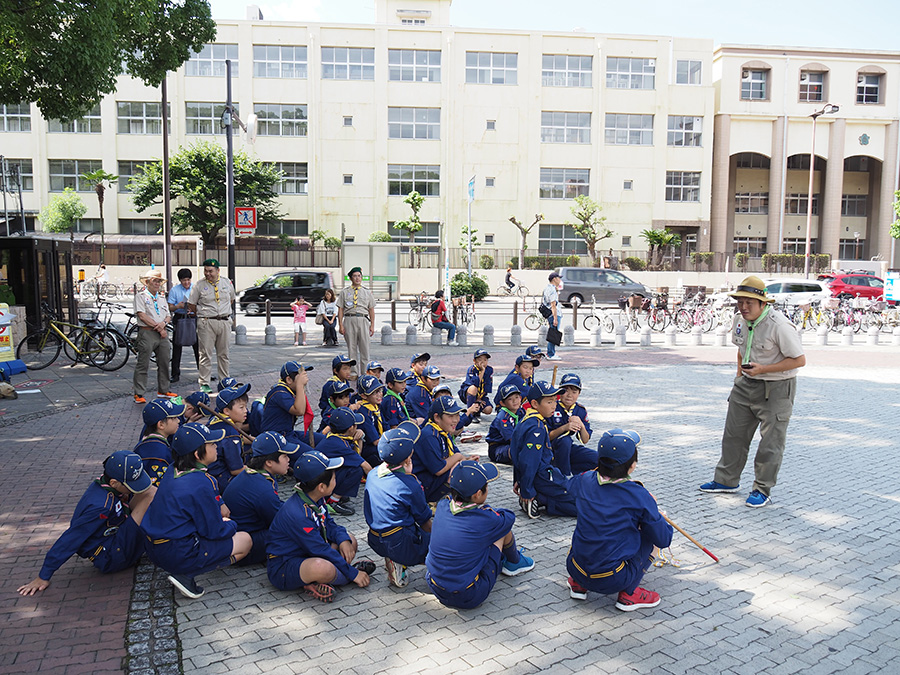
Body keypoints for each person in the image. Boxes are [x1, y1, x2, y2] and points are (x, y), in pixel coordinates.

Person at [700, 276, 806, 508]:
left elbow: (799, 360)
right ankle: (726, 480)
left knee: (771, 442)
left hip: (776, 387)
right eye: (740, 302)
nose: (744, 307)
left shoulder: (779, 326)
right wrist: (739, 378)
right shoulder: (740, 319)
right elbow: (740, 350)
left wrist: (764, 369)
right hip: (746, 384)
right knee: (733, 435)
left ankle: (762, 489)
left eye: (749, 302)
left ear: (763, 303)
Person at [17, 451, 156, 596]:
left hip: (117, 534)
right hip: (112, 557)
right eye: (131, 484)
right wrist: (43, 575)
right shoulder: (100, 507)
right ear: (114, 482)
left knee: (149, 490)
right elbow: (71, 538)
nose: (135, 487)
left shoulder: (104, 485)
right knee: (151, 495)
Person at [140, 422, 253, 599]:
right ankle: (186, 573)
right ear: (197, 453)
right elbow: (214, 531)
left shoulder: (174, 469)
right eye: (212, 444)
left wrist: (220, 503)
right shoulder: (200, 483)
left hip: (154, 546)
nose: (217, 447)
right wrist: (232, 525)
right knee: (245, 541)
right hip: (177, 551)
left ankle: (185, 566)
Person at [566, 429, 673, 611]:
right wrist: (655, 513)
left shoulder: (584, 479)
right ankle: (629, 593)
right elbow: (664, 539)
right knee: (651, 535)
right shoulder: (639, 496)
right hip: (612, 579)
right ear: (632, 466)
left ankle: (578, 584)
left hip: (575, 567)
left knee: (589, 526)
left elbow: (570, 485)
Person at [266, 450, 375, 602]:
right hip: (285, 566)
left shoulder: (314, 498)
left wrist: (343, 539)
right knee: (323, 568)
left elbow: (329, 524)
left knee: (350, 541)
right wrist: (353, 575)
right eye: (335, 478)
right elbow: (319, 549)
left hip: (308, 553)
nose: (336, 480)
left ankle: (331, 576)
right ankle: (343, 575)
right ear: (322, 487)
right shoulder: (298, 514)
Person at [425, 460, 535, 609]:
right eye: (487, 487)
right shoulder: (485, 519)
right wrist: (486, 508)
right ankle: (514, 562)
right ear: (477, 494)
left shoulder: (443, 506)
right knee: (502, 530)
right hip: (469, 595)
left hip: (435, 586)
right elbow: (508, 517)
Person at [364, 422, 432, 588]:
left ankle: (396, 559)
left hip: (374, 539)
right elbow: (425, 522)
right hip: (400, 543)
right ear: (408, 458)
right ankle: (408, 560)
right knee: (440, 540)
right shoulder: (410, 485)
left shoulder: (372, 474)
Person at [222, 431, 299, 566]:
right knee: (293, 533)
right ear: (269, 462)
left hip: (240, 535)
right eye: (285, 456)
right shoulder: (262, 488)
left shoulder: (252, 474)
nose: (289, 459)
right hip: (245, 546)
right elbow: (280, 522)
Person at [510, 381, 577, 518]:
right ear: (535, 404)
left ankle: (541, 498)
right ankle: (540, 498)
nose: (554, 406)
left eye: (555, 401)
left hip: (543, 475)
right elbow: (528, 461)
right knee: (582, 504)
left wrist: (519, 480)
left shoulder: (529, 419)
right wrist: (526, 490)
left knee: (574, 492)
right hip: (543, 477)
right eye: (549, 402)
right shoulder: (536, 428)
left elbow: (518, 452)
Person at [412, 397, 478, 503]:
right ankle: (434, 502)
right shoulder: (429, 435)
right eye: (451, 416)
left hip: (433, 478)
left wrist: (467, 459)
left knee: (465, 466)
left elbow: (454, 453)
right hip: (423, 483)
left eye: (457, 415)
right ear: (437, 417)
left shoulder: (443, 431)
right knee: (456, 470)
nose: (456, 420)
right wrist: (459, 457)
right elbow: (439, 469)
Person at [188, 259, 236, 395]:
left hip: (224, 321)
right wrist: (204, 315)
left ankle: (224, 381)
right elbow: (192, 304)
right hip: (206, 322)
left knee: (224, 354)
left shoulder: (227, 283)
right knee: (205, 354)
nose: (208, 273)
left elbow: (231, 299)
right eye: (206, 270)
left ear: (218, 270)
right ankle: (204, 383)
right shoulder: (199, 285)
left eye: (211, 271)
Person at [315, 408, 370, 516]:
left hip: (321, 479)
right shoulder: (339, 444)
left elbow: (356, 456)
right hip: (320, 483)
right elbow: (365, 466)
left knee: (352, 466)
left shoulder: (335, 437)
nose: (357, 427)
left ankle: (335, 494)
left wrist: (359, 439)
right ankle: (332, 502)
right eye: (355, 425)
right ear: (350, 428)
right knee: (356, 470)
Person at [133, 268, 174, 404]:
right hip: (147, 332)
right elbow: (142, 315)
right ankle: (139, 393)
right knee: (143, 363)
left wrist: (163, 324)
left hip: (161, 332)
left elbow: (168, 315)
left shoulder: (162, 298)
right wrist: (159, 327)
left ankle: (163, 390)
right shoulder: (141, 297)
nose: (157, 284)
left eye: (159, 281)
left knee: (164, 361)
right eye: (155, 281)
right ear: (147, 282)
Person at [547, 374, 597, 477]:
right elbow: (545, 437)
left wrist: (581, 425)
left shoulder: (580, 410)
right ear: (560, 391)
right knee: (565, 440)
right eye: (565, 391)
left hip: (567, 449)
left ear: (579, 393)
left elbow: (585, 440)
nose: (569, 395)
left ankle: (584, 478)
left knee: (596, 458)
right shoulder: (552, 406)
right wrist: (564, 428)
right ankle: (564, 477)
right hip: (549, 449)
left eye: (574, 392)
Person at [261, 361, 317, 447]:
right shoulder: (279, 392)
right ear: (289, 379)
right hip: (277, 438)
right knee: (311, 454)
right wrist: (300, 386)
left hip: (289, 433)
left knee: (323, 440)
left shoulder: (290, 390)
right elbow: (299, 410)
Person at [207, 384, 250, 494]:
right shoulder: (230, 433)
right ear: (226, 411)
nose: (246, 411)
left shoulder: (214, 421)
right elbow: (235, 469)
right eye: (241, 407)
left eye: (245, 406)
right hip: (220, 478)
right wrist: (254, 471)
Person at [134, 397, 185, 485]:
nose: (178, 420)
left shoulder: (146, 443)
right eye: (174, 418)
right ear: (161, 424)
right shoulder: (159, 453)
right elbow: (157, 488)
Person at [337, 267, 375, 377]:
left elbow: (371, 309)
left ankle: (365, 373)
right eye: (355, 276)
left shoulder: (367, 292)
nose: (357, 278)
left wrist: (372, 325)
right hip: (349, 319)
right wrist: (340, 325)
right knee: (351, 348)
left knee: (365, 348)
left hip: (363, 319)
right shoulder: (345, 292)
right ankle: (353, 372)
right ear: (350, 278)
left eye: (359, 276)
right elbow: (340, 309)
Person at [167, 268, 199, 384]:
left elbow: (201, 304)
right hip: (179, 318)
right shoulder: (175, 290)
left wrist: (194, 310)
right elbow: (170, 306)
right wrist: (178, 306)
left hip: (193, 318)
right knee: (177, 346)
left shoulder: (195, 289)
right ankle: (175, 374)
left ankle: (203, 373)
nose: (186, 283)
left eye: (188, 280)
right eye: (184, 280)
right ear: (180, 280)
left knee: (198, 347)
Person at [485, 384, 523, 464]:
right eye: (510, 399)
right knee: (516, 450)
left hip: (512, 444)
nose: (514, 401)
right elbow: (512, 438)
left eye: (516, 397)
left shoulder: (521, 412)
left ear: (520, 398)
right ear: (503, 403)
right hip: (498, 447)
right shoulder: (503, 417)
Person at [356, 375, 386, 466]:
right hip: (369, 449)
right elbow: (375, 441)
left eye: (380, 391)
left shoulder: (376, 407)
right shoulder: (364, 412)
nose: (379, 394)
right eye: (374, 393)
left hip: (379, 442)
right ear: (364, 396)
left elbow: (386, 426)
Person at [458, 349, 494, 420]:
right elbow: (476, 383)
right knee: (473, 388)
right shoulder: (472, 369)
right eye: (480, 359)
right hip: (468, 394)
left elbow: (488, 385)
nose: (483, 362)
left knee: (489, 409)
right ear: (474, 361)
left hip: (480, 395)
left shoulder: (489, 370)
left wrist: (480, 399)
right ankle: (470, 413)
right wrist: (482, 371)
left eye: (485, 360)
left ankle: (477, 410)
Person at [541, 272, 563, 361]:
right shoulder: (552, 290)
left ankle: (550, 353)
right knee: (553, 334)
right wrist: (555, 318)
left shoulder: (547, 288)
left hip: (550, 314)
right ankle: (551, 354)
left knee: (552, 333)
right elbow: (553, 305)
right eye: (559, 278)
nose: (560, 280)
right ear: (554, 279)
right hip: (553, 314)